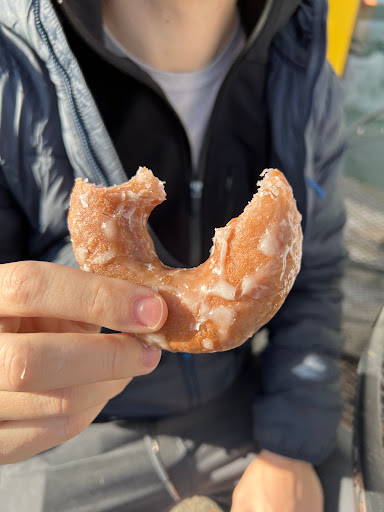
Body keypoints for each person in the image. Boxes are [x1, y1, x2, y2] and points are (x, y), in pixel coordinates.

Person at [0, 0, 347, 511]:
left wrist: (289, 447)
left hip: (242, 409)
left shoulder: (305, 61)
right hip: (68, 433)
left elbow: (315, 275)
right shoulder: (12, 70)